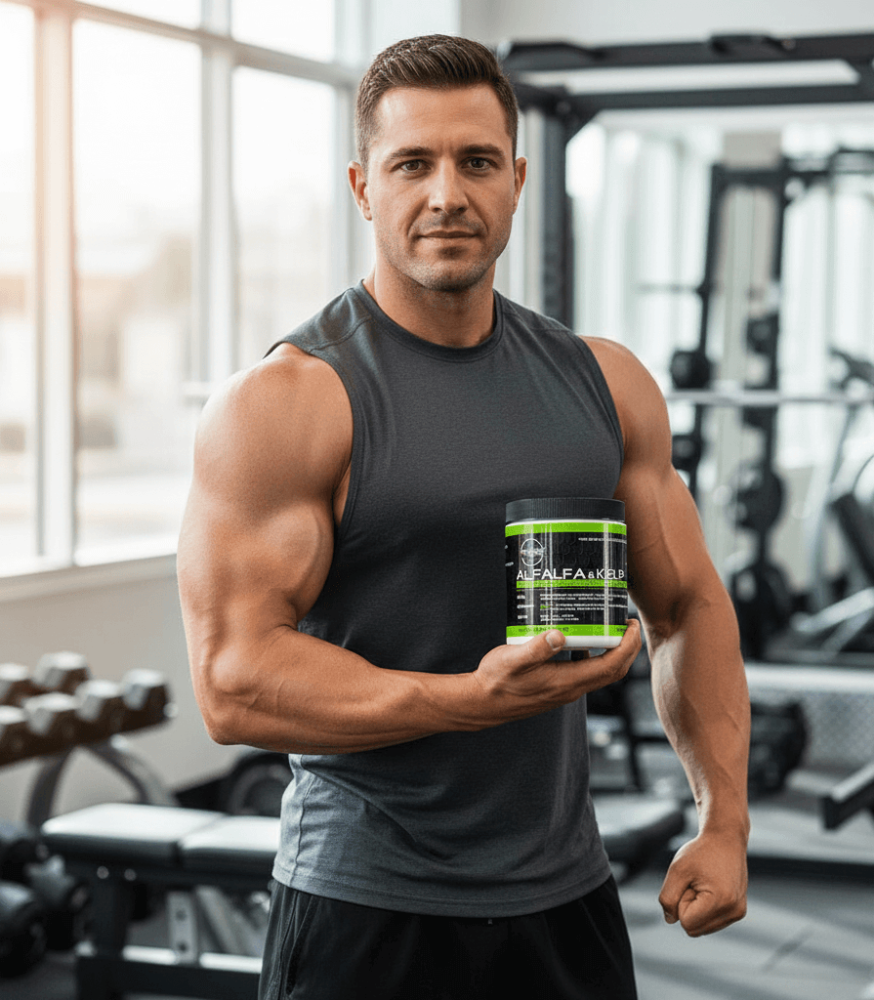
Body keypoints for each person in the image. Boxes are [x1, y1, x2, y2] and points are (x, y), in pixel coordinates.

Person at [177, 34, 750, 1000]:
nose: (447, 193)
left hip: (566, 897)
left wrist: (725, 820)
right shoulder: (287, 402)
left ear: (518, 179)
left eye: (477, 161)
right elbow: (234, 683)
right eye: (413, 164)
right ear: (364, 186)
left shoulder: (605, 385)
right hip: (365, 907)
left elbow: (688, 605)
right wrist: (461, 701)